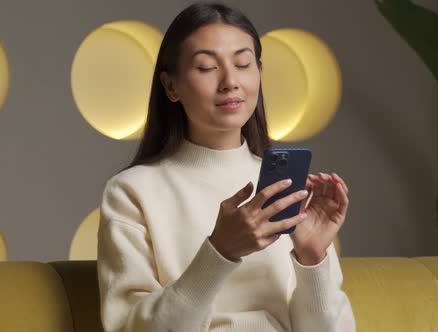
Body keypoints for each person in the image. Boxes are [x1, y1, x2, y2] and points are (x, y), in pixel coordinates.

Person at [97, 2, 356, 331]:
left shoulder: (285, 188)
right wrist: (219, 251)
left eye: (244, 63)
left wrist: (313, 257)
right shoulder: (132, 192)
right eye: (206, 67)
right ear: (170, 86)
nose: (230, 81)